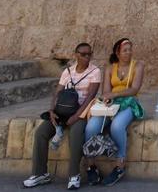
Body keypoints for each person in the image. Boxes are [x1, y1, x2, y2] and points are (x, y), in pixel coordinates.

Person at [22, 42, 101, 189]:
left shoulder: (95, 71)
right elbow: (57, 93)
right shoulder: (68, 72)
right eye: (83, 54)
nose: (87, 57)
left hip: (81, 112)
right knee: (41, 133)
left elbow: (90, 96)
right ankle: (40, 174)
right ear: (76, 55)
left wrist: (76, 116)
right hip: (62, 112)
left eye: (89, 54)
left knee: (76, 134)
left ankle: (74, 175)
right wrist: (52, 111)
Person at [84, 38, 145, 186]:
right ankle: (91, 166)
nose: (128, 52)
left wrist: (114, 95)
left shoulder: (138, 66)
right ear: (117, 53)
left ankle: (120, 165)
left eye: (130, 49)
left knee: (117, 126)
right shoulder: (110, 68)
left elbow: (134, 89)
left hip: (129, 102)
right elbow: (106, 91)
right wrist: (107, 98)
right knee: (91, 127)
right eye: (125, 50)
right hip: (111, 104)